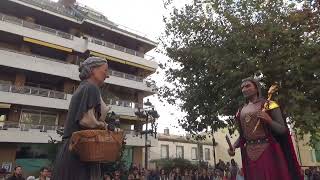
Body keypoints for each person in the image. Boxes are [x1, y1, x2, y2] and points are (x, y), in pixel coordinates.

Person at [227, 78, 302, 180]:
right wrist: (234, 146)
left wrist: (269, 120)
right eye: (242, 87)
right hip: (248, 153)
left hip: (267, 150)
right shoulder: (241, 111)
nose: (244, 89)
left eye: (247, 86)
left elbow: (282, 130)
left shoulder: (269, 105)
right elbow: (243, 135)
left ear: (257, 88)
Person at [53, 57, 110, 180]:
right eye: (105, 70)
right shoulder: (91, 87)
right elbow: (87, 121)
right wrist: (104, 126)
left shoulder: (82, 87)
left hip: (71, 149)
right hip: (82, 151)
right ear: (93, 70)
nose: (107, 75)